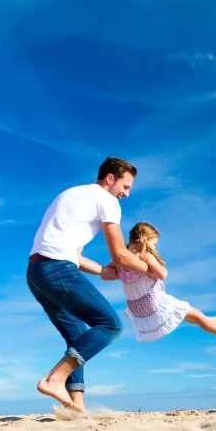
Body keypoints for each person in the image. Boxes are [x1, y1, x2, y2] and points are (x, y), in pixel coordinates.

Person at [27, 157, 152, 414]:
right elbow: (120, 255)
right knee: (111, 325)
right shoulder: (107, 201)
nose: (126, 194)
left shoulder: (71, 195)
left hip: (37, 274)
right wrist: (148, 269)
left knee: (77, 334)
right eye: (125, 187)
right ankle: (54, 379)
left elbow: (77, 257)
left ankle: (76, 406)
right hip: (57, 269)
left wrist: (108, 272)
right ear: (109, 179)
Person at [115, 222, 216, 345]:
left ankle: (212, 323)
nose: (154, 247)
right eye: (154, 244)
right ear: (147, 240)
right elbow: (163, 275)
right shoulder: (145, 256)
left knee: (191, 315)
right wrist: (149, 268)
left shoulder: (122, 257)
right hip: (152, 303)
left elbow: (107, 276)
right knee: (196, 315)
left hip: (136, 308)